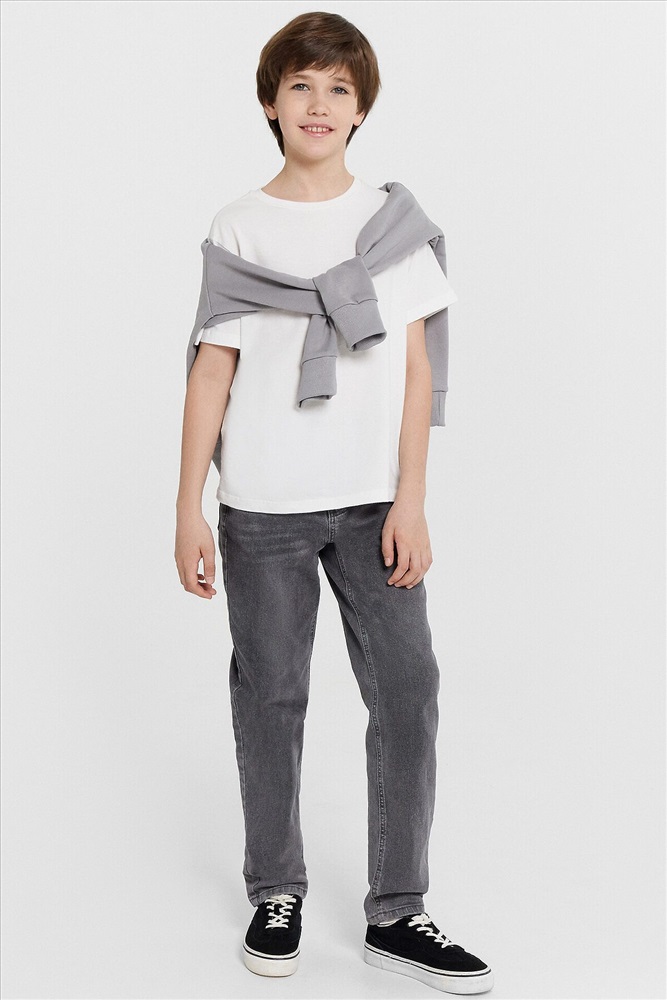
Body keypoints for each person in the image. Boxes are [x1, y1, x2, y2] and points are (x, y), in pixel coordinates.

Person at [174, 10, 493, 996]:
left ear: (361, 111)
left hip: (372, 505)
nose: (319, 104)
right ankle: (276, 890)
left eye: (339, 89)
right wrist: (187, 505)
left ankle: (397, 910)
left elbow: (414, 372)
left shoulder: (392, 228)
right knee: (269, 698)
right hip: (262, 505)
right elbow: (212, 372)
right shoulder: (239, 225)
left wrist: (412, 499)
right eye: (301, 86)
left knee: (407, 691)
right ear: (271, 104)